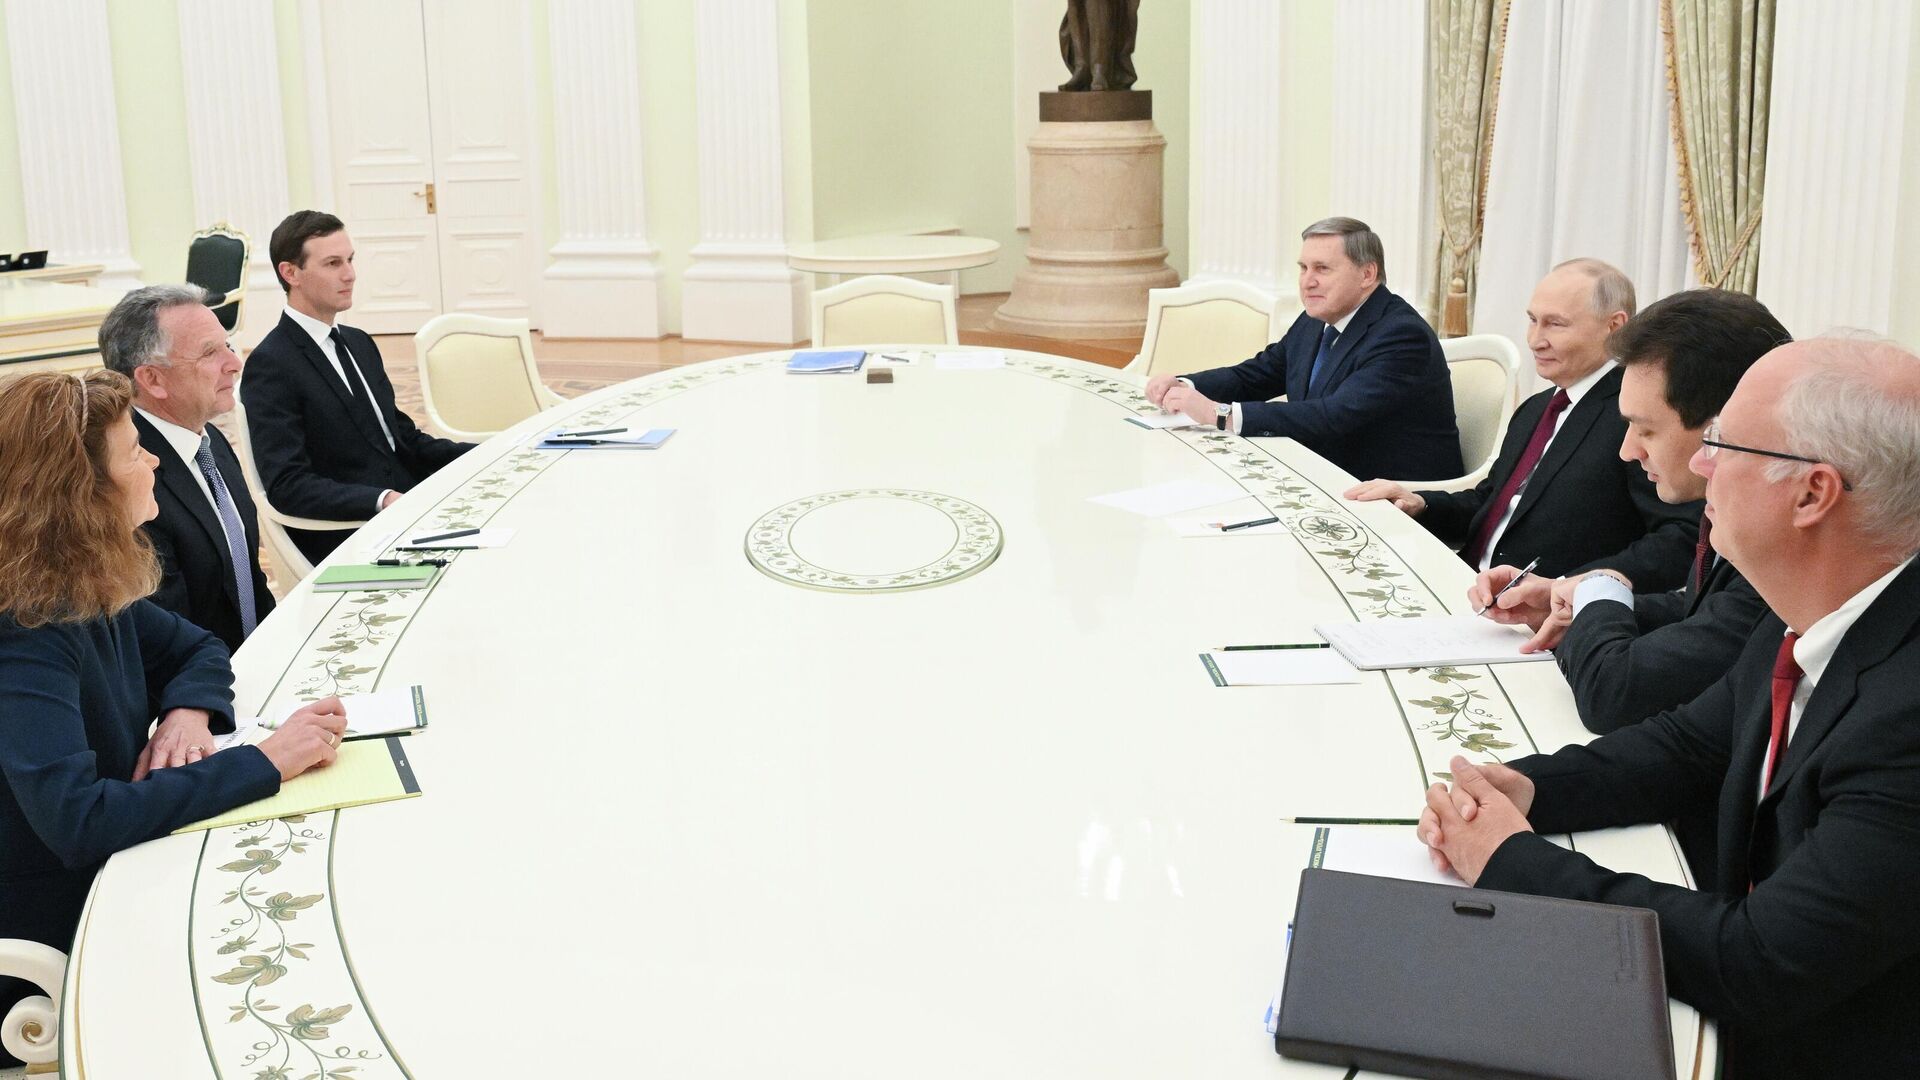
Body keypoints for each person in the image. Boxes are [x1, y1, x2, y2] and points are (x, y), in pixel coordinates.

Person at [1417, 338, 1920, 1079]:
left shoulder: (1906, 712)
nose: (1702, 462)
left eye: (1723, 442)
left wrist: (1511, 863)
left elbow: (1759, 961)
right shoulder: (1814, 605)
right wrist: (1530, 787)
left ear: (1812, 494)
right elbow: (1690, 745)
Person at [0, 371, 348, 1067]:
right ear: (82, 494)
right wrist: (265, 761)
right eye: (135, 452)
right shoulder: (27, 629)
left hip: (119, 861)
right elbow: (79, 821)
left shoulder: (83, 577)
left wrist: (187, 714)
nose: (155, 460)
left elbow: (197, 648)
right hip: (57, 930)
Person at [1471, 289, 1787, 733]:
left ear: (1725, 425)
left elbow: (1614, 692)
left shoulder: (1778, 542)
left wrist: (1600, 590)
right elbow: (1700, 615)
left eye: (1646, 430)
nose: (1627, 450)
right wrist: (1577, 600)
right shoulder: (1731, 511)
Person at [1346, 259, 1700, 587]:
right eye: (1533, 320)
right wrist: (1420, 504)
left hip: (1541, 615)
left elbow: (1681, 537)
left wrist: (1568, 588)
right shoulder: (1537, 408)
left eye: (1555, 324)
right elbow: (1491, 503)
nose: (1534, 340)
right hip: (1463, 583)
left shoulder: (1634, 417)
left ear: (1615, 326)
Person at [1148, 217, 1463, 483]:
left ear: (1367, 274)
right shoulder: (1317, 318)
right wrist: (1186, 386)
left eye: (1322, 269)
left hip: (1392, 501)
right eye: (1303, 268)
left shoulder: (1402, 336)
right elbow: (1260, 373)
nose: (1307, 281)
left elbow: (1333, 416)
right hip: (1320, 476)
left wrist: (1220, 414)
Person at [239, 211, 473, 565]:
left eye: (350, 260)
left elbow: (402, 439)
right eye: (333, 263)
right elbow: (288, 485)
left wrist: (487, 452)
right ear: (291, 273)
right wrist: (382, 500)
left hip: (410, 511)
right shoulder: (271, 363)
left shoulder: (358, 342)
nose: (349, 274)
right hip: (353, 536)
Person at [97, 284, 274, 654]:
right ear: (153, 379)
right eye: (210, 353)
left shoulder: (209, 440)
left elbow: (247, 576)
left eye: (227, 345)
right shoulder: (131, 479)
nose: (234, 363)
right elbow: (169, 642)